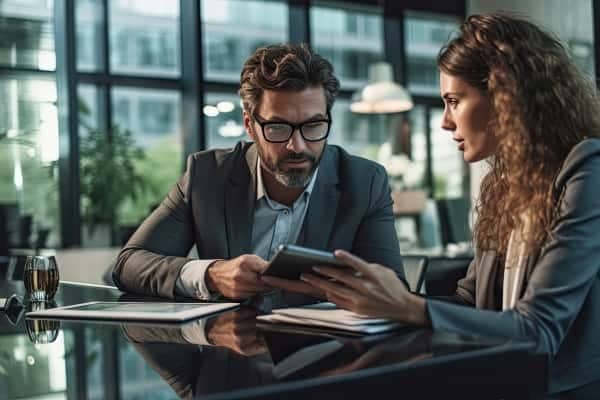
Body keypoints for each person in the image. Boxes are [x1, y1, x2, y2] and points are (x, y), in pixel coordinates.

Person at [267, 14, 600, 396]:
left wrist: (409, 307)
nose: (444, 122)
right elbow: (469, 303)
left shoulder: (586, 168)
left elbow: (539, 330)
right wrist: (378, 297)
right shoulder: (503, 183)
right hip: (502, 381)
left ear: (506, 96)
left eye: (454, 101)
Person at [112, 43, 403, 306]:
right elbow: (128, 265)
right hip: (232, 355)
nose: (297, 146)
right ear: (250, 125)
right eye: (278, 128)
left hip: (326, 355)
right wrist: (212, 274)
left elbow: (395, 293)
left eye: (313, 126)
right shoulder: (208, 175)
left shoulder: (365, 182)